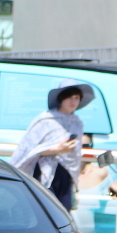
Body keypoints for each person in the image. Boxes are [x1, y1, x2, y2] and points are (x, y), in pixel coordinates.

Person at [9, 81, 93, 210]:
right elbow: (29, 149)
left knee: (64, 211)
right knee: (46, 208)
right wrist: (57, 149)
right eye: (70, 97)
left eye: (76, 98)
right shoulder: (46, 119)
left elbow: (75, 154)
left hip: (66, 173)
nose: (73, 101)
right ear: (61, 98)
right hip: (44, 170)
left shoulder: (77, 123)